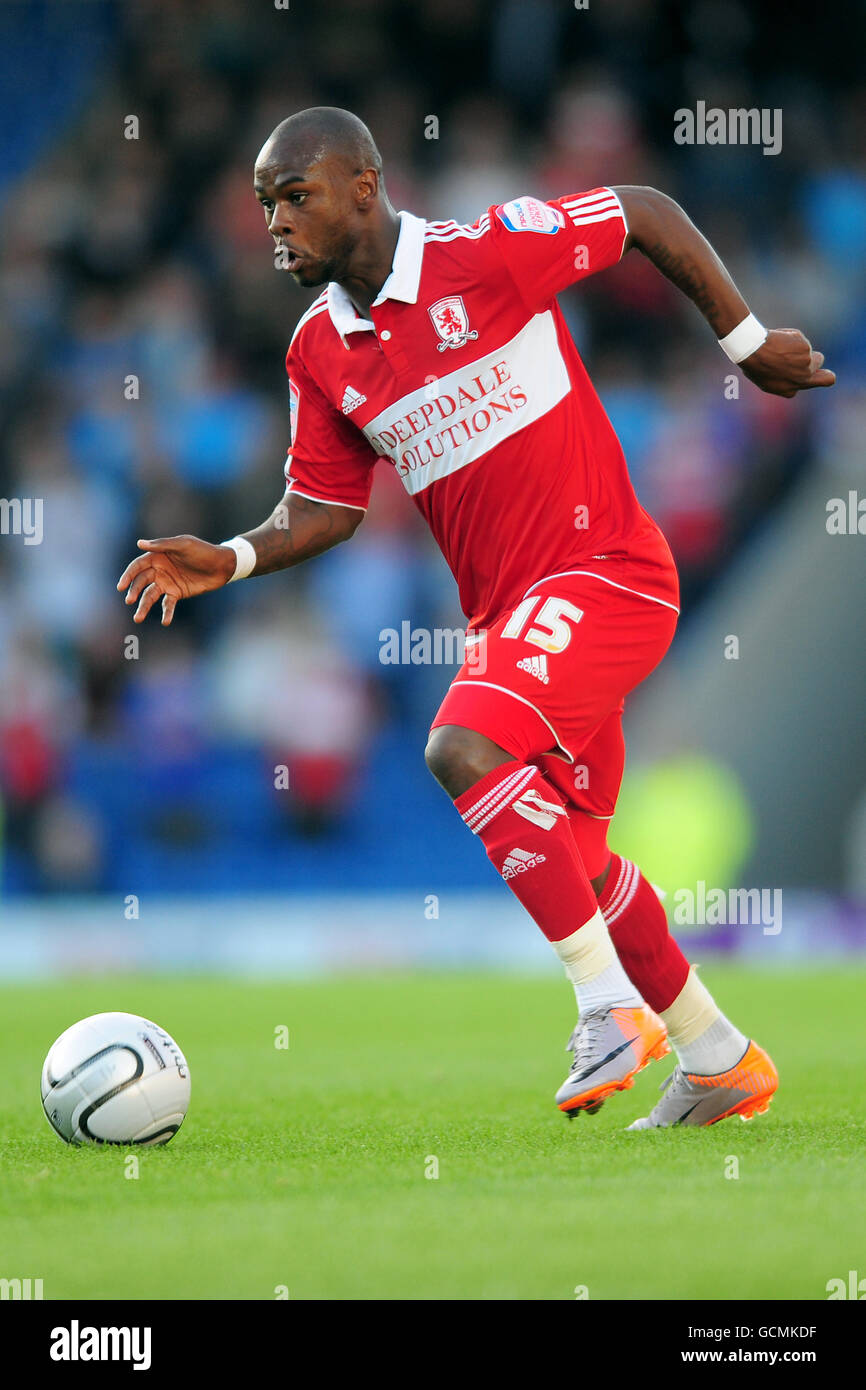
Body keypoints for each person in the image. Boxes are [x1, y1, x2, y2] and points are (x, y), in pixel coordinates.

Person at [118, 107, 834, 1127]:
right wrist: (229, 557)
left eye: (294, 196)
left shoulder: (487, 253)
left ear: (363, 186)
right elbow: (325, 507)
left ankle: (603, 1008)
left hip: (607, 572)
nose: (274, 222)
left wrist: (746, 339)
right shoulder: (318, 349)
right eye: (264, 203)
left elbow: (639, 210)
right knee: (576, 861)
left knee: (459, 747)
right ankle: (717, 1057)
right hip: (508, 616)